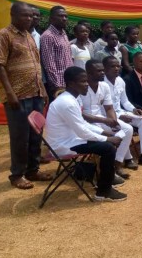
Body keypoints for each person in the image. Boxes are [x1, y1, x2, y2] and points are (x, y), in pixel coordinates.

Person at [45, 66, 126, 202]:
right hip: (63, 146)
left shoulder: (73, 98)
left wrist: (103, 132)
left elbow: (82, 124)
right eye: (83, 81)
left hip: (71, 139)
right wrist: (107, 139)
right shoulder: (67, 103)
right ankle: (104, 191)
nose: (87, 84)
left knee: (107, 145)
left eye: (86, 80)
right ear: (71, 84)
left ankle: (106, 179)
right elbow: (82, 131)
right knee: (108, 148)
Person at [0, 2, 51, 190]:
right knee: (20, 136)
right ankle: (17, 174)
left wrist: (42, 90)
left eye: (31, 15)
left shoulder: (29, 36)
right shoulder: (4, 35)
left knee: (36, 133)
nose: (29, 18)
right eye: (24, 15)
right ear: (13, 15)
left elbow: (36, 65)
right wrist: (10, 93)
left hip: (35, 92)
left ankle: (33, 170)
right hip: (17, 95)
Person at [79, 59, 134, 179]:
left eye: (103, 70)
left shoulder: (104, 86)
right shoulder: (81, 87)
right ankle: (107, 168)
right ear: (88, 73)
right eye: (99, 71)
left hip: (101, 119)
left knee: (127, 129)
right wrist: (106, 121)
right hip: (85, 123)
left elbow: (109, 108)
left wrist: (113, 121)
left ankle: (117, 163)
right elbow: (81, 114)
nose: (103, 73)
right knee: (112, 136)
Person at [103, 56, 142, 168]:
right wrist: (119, 117)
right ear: (105, 68)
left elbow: (125, 101)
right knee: (127, 128)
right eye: (112, 66)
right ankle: (126, 159)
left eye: (118, 66)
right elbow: (103, 109)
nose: (116, 68)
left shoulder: (120, 81)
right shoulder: (101, 84)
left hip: (120, 111)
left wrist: (134, 109)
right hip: (107, 115)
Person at [40, 5, 73, 101]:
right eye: (60, 16)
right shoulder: (48, 36)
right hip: (58, 86)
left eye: (66, 16)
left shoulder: (64, 34)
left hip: (69, 82)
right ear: (51, 19)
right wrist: (58, 86)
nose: (64, 18)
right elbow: (49, 64)